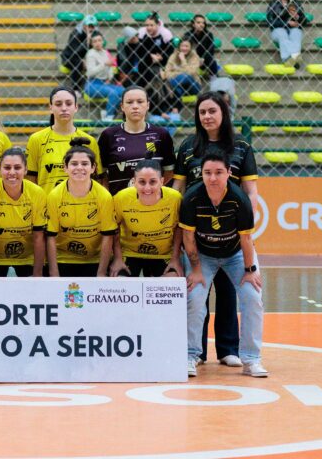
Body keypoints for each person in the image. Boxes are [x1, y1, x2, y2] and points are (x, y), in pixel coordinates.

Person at [172, 91, 259, 368]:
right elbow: (178, 188)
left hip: (231, 230)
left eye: (212, 111)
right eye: (202, 112)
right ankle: (195, 354)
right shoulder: (188, 146)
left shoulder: (241, 146)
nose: (207, 116)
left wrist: (245, 226)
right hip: (197, 231)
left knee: (229, 292)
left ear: (223, 113)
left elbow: (250, 191)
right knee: (197, 293)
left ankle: (228, 350)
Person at [181, 150, 266, 378]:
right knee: (194, 297)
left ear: (229, 173)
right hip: (203, 255)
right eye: (207, 172)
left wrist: (250, 270)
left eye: (219, 172)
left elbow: (246, 239)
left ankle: (251, 359)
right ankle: (190, 355)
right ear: (201, 174)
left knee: (253, 296)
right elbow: (188, 237)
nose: (213, 178)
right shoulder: (191, 198)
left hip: (235, 254)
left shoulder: (239, 199)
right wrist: (196, 270)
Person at [46, 138, 116, 277]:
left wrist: (101, 273)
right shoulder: (54, 195)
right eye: (74, 164)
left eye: (85, 164)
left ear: (93, 168)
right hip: (62, 259)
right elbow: (50, 237)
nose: (79, 167)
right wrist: (54, 273)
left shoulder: (104, 196)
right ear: (65, 167)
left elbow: (108, 236)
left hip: (94, 259)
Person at [0, 148, 47, 277]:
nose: (12, 172)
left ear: (25, 170)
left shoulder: (37, 193)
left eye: (17, 167)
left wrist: (38, 274)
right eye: (7, 167)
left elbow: (39, 236)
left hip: (28, 258)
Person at [110, 159, 183, 277]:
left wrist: (175, 259)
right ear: (134, 182)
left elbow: (179, 228)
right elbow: (114, 227)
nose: (147, 188)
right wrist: (117, 258)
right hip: (130, 253)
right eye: (142, 182)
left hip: (164, 254)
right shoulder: (121, 198)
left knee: (172, 281)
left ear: (162, 181)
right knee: (119, 281)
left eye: (153, 182)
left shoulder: (175, 198)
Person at [97, 85, 176, 196]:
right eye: (129, 102)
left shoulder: (161, 135)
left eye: (140, 101)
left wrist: (151, 192)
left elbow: (170, 172)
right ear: (122, 106)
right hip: (119, 202)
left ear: (148, 105)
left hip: (152, 201)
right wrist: (108, 196)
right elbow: (101, 174)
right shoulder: (109, 135)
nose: (135, 106)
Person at [26, 86, 103, 192]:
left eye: (68, 103)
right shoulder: (36, 139)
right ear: (51, 108)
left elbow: (98, 180)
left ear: (76, 107)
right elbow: (30, 180)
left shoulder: (89, 141)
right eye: (58, 104)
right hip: (48, 201)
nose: (64, 108)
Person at [84, 31, 125, 121]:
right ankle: (108, 117)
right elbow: (90, 73)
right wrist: (104, 64)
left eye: (99, 40)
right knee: (113, 93)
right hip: (93, 84)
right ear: (91, 43)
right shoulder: (90, 54)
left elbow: (110, 68)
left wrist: (109, 78)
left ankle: (106, 112)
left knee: (123, 91)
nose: (97, 43)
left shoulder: (105, 52)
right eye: (95, 41)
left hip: (104, 83)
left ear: (103, 41)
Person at [266, 0, 308, 67]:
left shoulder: (296, 3)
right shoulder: (274, 4)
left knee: (296, 34)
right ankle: (292, 59)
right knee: (282, 34)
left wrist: (297, 17)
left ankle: (289, 60)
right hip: (278, 29)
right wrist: (287, 23)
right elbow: (270, 22)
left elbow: (305, 21)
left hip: (294, 29)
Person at [60, 14, 98, 93]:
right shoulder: (75, 34)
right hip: (69, 57)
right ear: (84, 25)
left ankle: (95, 88)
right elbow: (74, 52)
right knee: (77, 62)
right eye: (89, 26)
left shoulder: (95, 34)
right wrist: (86, 42)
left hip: (85, 58)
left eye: (92, 26)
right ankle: (75, 89)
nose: (91, 29)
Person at [136, 12, 173, 88]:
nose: (149, 28)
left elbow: (170, 51)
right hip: (146, 61)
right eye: (147, 25)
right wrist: (150, 56)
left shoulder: (165, 34)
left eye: (151, 25)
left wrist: (162, 57)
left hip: (162, 62)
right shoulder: (142, 34)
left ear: (158, 24)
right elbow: (139, 50)